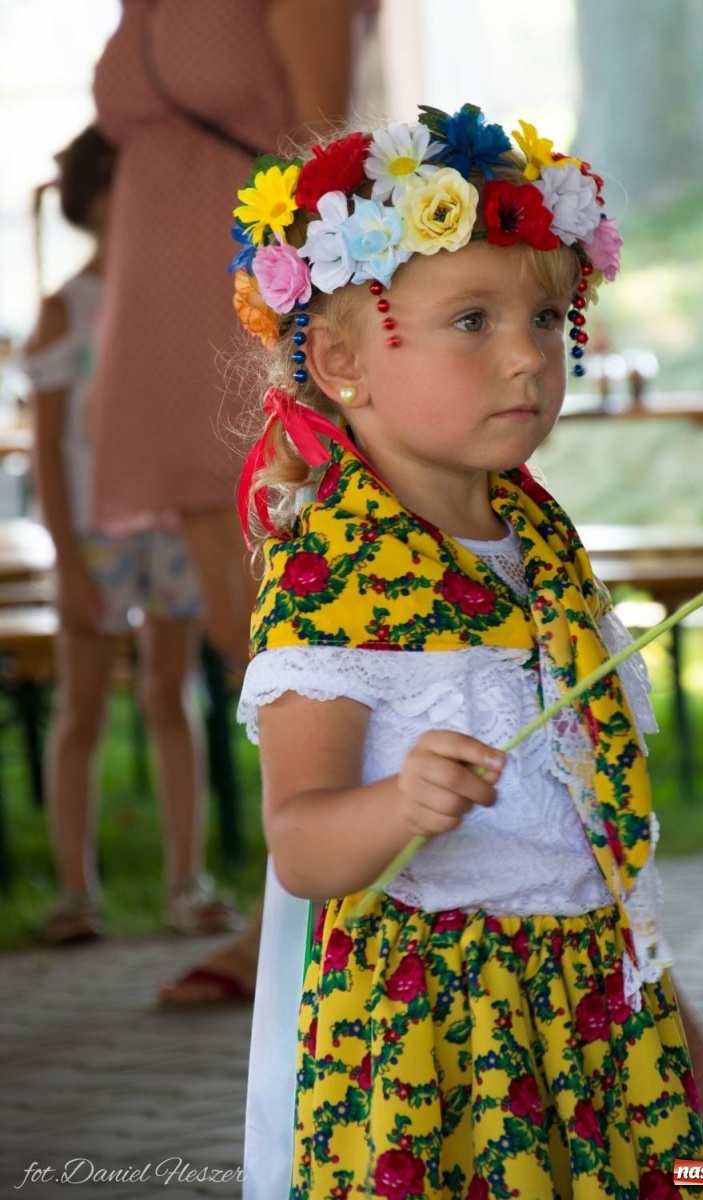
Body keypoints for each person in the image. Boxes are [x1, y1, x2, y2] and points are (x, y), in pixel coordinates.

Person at [233, 105, 703, 1197]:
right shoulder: (336, 573)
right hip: (441, 1036)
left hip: (596, 1008)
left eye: (549, 318)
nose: (526, 356)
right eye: (472, 319)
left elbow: (585, 822)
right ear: (342, 359)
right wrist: (398, 803)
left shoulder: (539, 534)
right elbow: (302, 849)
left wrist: (667, 1002)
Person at [89, 0, 371, 1003]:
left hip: (247, 315)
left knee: (298, 614)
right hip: (155, 316)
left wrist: (310, 343)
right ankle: (297, 902)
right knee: (236, 633)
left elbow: (328, 151)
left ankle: (301, 920)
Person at [21, 125, 239, 944]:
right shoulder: (63, 310)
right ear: (98, 196)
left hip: (174, 522)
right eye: (124, 181)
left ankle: (189, 881)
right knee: (79, 708)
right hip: (91, 534)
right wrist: (67, 558)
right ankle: (75, 892)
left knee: (169, 695)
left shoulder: (175, 303)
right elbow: (46, 445)